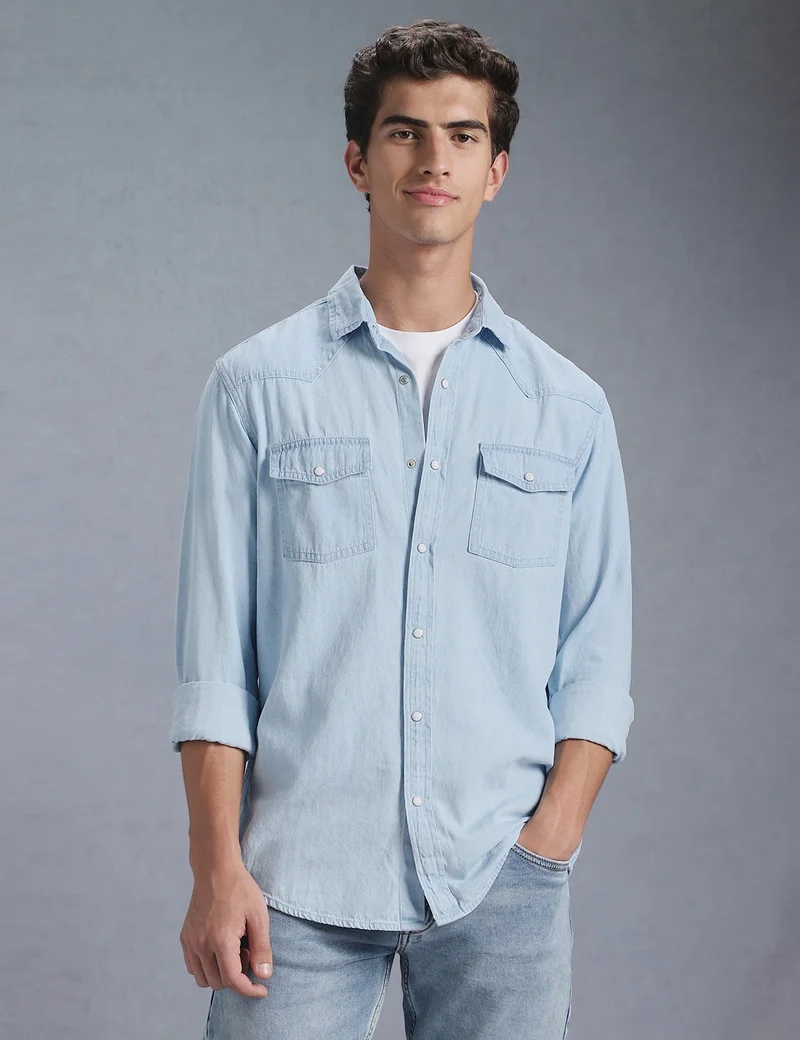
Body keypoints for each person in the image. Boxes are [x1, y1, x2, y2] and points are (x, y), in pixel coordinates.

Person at [170, 18, 634, 1040]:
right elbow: (213, 660)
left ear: (495, 170)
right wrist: (216, 865)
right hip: (291, 877)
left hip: (501, 877)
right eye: (404, 131)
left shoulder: (566, 408)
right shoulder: (256, 388)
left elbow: (595, 659)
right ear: (357, 161)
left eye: (463, 136)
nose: (434, 159)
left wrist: (547, 842)